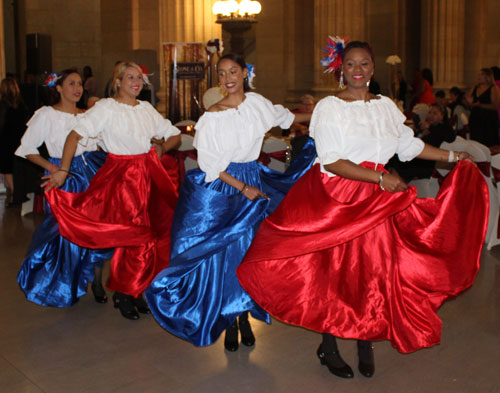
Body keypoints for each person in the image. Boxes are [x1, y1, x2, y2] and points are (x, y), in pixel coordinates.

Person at [237, 41, 488, 379]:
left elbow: (409, 147)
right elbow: (332, 161)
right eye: (351, 63)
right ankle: (329, 343)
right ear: (341, 68)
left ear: (373, 68)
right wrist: (379, 178)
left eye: (365, 63)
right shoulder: (330, 107)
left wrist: (454, 157)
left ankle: (364, 338)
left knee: (373, 272)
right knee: (335, 274)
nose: (358, 69)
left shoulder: (386, 106)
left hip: (377, 195)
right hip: (338, 196)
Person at [145, 53, 316, 352]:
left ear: (244, 73)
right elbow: (211, 164)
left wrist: (320, 113)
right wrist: (243, 188)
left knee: (248, 250)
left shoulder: (258, 104)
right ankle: (229, 319)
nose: (228, 78)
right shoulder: (212, 116)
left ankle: (244, 314)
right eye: (222, 74)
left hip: (253, 177)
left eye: (232, 71)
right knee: (226, 253)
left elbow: (288, 117)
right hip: (226, 186)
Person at [43, 61, 181, 320]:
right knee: (133, 234)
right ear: (117, 81)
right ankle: (125, 292)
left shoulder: (146, 108)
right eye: (129, 77)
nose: (136, 81)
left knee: (152, 235)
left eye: (139, 77)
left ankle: (135, 289)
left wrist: (161, 149)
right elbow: (74, 135)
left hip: (148, 173)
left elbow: (173, 135)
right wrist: (62, 170)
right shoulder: (106, 108)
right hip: (122, 176)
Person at [16, 69, 113, 307]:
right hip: (62, 174)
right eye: (71, 83)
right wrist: (53, 167)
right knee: (63, 231)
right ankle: (65, 282)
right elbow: (27, 148)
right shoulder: (46, 115)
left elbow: (103, 144)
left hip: (90, 171)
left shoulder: (86, 116)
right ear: (58, 88)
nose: (77, 88)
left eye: (79, 83)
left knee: (94, 228)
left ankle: (97, 281)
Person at [389, 103, 456, 182]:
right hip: (414, 157)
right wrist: (417, 130)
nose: (431, 115)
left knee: (395, 161)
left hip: (423, 162)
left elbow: (451, 137)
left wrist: (430, 127)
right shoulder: (425, 126)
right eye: (430, 112)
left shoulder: (443, 127)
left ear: (442, 116)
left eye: (434, 113)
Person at [0, 78, 29, 204]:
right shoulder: (22, 104)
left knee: (6, 167)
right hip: (20, 138)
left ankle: (13, 192)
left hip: (5, 139)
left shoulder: (3, 104)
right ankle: (17, 193)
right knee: (17, 167)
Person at [466, 68, 500, 147]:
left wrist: (479, 105)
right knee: (476, 144)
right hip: (476, 119)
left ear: (488, 76)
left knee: (489, 143)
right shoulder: (475, 88)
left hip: (488, 120)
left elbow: (495, 106)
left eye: (482, 74)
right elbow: (469, 104)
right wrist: (469, 102)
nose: (479, 76)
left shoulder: (494, 88)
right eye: (478, 74)